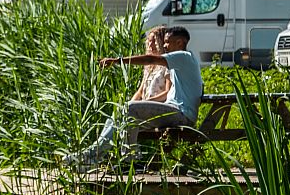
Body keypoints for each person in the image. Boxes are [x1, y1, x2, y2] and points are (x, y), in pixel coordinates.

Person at [68, 26, 203, 167]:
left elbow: (150, 59)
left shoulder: (184, 57)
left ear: (180, 43)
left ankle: (129, 159)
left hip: (181, 115)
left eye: (168, 42)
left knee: (129, 108)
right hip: (173, 113)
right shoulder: (179, 63)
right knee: (118, 116)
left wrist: (117, 61)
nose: (164, 45)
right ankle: (92, 155)